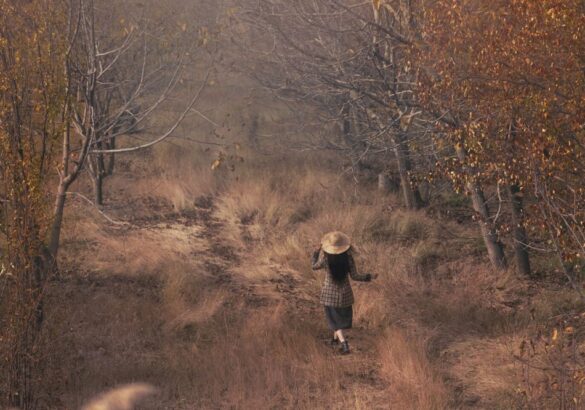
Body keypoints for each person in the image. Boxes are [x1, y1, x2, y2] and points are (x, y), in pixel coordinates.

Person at [311, 231, 373, 354]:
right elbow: (355, 276)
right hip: (345, 295)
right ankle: (334, 340)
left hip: (329, 295)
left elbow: (314, 266)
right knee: (337, 319)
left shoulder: (325, 259)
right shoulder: (348, 259)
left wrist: (316, 252)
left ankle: (344, 343)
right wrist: (368, 277)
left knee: (334, 321)